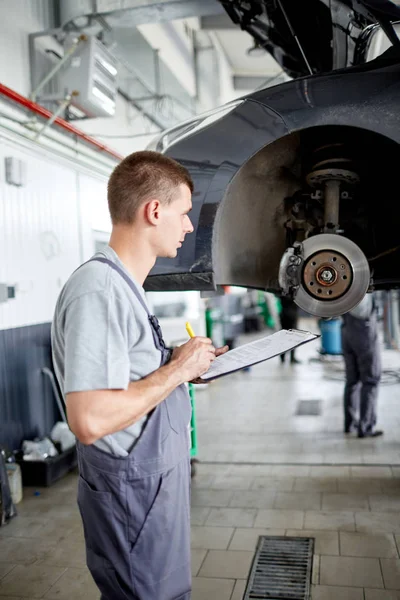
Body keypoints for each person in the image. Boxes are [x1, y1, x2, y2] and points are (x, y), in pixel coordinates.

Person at [51, 151, 228, 600]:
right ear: (154, 211)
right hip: (133, 496)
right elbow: (89, 419)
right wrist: (176, 371)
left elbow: (127, 370)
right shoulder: (100, 290)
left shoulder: (124, 286)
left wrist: (184, 363)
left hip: (151, 489)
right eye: (184, 213)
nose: (188, 227)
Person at [341, 293, 383, 438]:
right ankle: (366, 427)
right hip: (363, 330)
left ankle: (350, 424)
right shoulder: (363, 280)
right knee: (371, 380)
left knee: (352, 381)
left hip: (346, 329)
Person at [278, 296, 300, 364]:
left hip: (284, 314)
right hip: (291, 315)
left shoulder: (283, 290)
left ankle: (283, 358)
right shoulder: (295, 292)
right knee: (293, 337)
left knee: (284, 336)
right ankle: (291, 358)